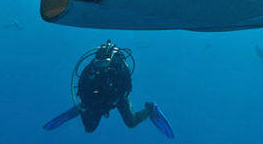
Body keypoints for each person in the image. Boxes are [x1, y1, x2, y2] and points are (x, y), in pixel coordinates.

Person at [43, 40, 174, 138]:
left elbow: (127, 87)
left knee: (131, 122)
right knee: (89, 128)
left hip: (118, 98)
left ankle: (151, 109)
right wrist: (88, 102)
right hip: (97, 100)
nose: (101, 67)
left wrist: (116, 98)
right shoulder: (90, 71)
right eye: (99, 64)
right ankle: (80, 109)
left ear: (110, 61)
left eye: (104, 63)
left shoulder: (119, 71)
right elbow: (82, 88)